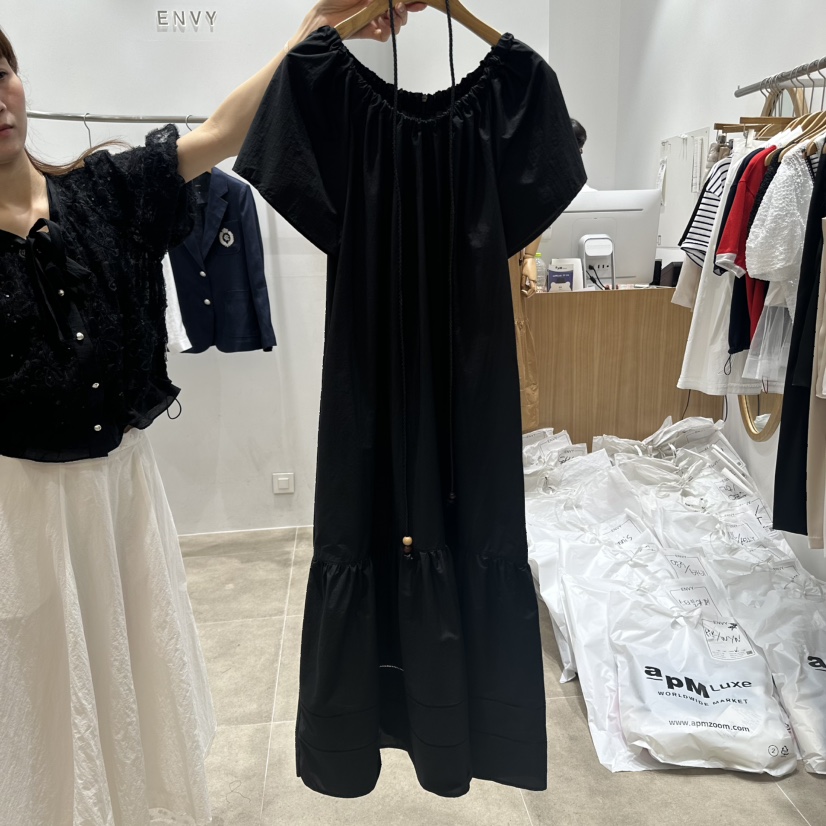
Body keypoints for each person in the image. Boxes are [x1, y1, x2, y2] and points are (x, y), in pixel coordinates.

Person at [0, 2, 423, 824]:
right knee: (45, 713)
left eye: (1, 72)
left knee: (136, 698)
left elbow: (227, 130)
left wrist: (319, 23)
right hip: (21, 517)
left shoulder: (105, 192)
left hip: (121, 503)